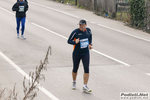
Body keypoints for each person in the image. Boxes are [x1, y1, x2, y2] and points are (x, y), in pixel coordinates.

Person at [67, 19, 93, 92]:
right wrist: (75, 42)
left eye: (82, 25)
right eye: (80, 25)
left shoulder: (88, 31)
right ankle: (74, 81)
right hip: (77, 53)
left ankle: (85, 86)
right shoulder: (75, 32)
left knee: (86, 69)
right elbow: (68, 41)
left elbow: (90, 39)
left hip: (85, 53)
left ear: (85, 25)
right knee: (75, 69)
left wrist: (90, 45)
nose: (81, 26)